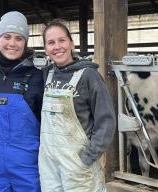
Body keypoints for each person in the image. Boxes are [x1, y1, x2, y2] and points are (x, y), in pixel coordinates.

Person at [39, 20, 116, 192]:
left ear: (71, 43)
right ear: (45, 49)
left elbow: (106, 121)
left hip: (78, 164)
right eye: (51, 43)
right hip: (49, 164)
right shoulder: (46, 75)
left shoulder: (89, 76)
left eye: (62, 40)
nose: (57, 46)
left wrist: (88, 157)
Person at [0, 11, 44, 192]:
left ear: (25, 42)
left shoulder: (36, 77)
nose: (12, 43)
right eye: (7, 37)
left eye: (19, 38)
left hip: (27, 166)